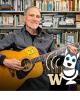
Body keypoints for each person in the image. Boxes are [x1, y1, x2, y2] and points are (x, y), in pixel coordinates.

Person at [0, 6, 78, 90]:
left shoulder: (49, 38)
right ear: (24, 18)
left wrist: (68, 55)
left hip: (41, 85)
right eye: (31, 15)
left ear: (40, 20)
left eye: (37, 16)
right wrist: (4, 60)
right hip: (17, 84)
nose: (35, 19)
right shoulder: (14, 36)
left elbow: (56, 60)